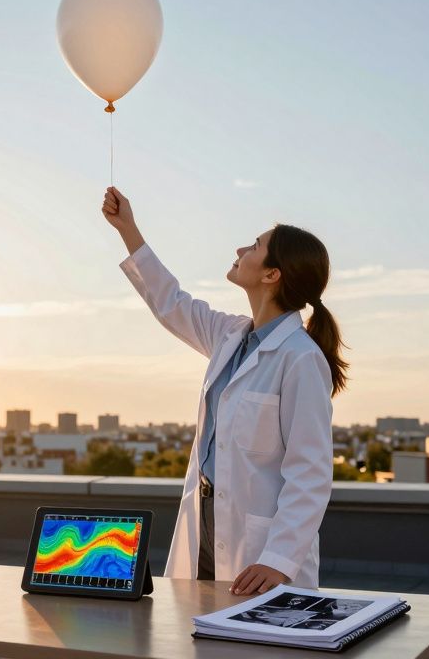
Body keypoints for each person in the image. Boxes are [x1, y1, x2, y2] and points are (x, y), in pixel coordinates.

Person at [101, 186, 347, 595]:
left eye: (255, 245)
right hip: (203, 528)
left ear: (272, 275)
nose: (240, 248)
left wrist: (279, 559)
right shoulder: (229, 336)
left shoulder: (300, 358)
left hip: (261, 551)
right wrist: (128, 229)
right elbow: (171, 303)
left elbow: (310, 472)